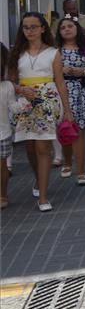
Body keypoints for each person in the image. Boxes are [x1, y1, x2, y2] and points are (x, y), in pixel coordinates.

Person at [8, 12, 74, 212]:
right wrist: (20, 90)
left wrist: (67, 110)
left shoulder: (53, 53)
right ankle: (39, 178)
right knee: (30, 148)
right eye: (26, 27)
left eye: (34, 27)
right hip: (24, 101)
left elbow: (61, 83)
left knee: (43, 148)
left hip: (47, 100)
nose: (29, 31)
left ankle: (43, 197)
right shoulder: (16, 53)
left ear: (43, 28)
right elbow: (11, 81)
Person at [55, 16, 85, 185]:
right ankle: (67, 162)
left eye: (70, 26)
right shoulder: (56, 50)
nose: (67, 29)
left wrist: (82, 71)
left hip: (83, 90)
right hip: (62, 91)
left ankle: (81, 171)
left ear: (77, 28)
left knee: (79, 131)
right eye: (63, 27)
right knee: (64, 127)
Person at [1, 44, 13, 209]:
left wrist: (26, 99)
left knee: (2, 165)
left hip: (3, 133)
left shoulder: (7, 86)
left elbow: (14, 107)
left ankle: (2, 193)